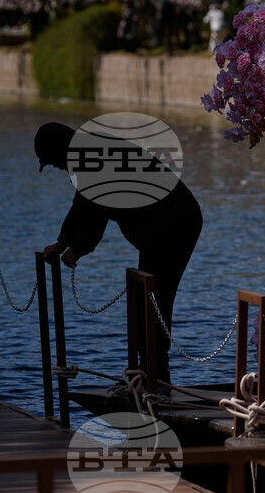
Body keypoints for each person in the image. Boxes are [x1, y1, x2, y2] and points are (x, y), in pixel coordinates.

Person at [36, 122, 202, 383]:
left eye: (52, 160)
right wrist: (62, 242)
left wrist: (76, 250)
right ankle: (150, 377)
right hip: (161, 228)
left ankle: (157, 381)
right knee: (146, 302)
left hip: (174, 226)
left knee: (155, 302)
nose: (55, 167)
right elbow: (82, 202)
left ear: (59, 149)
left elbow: (94, 214)